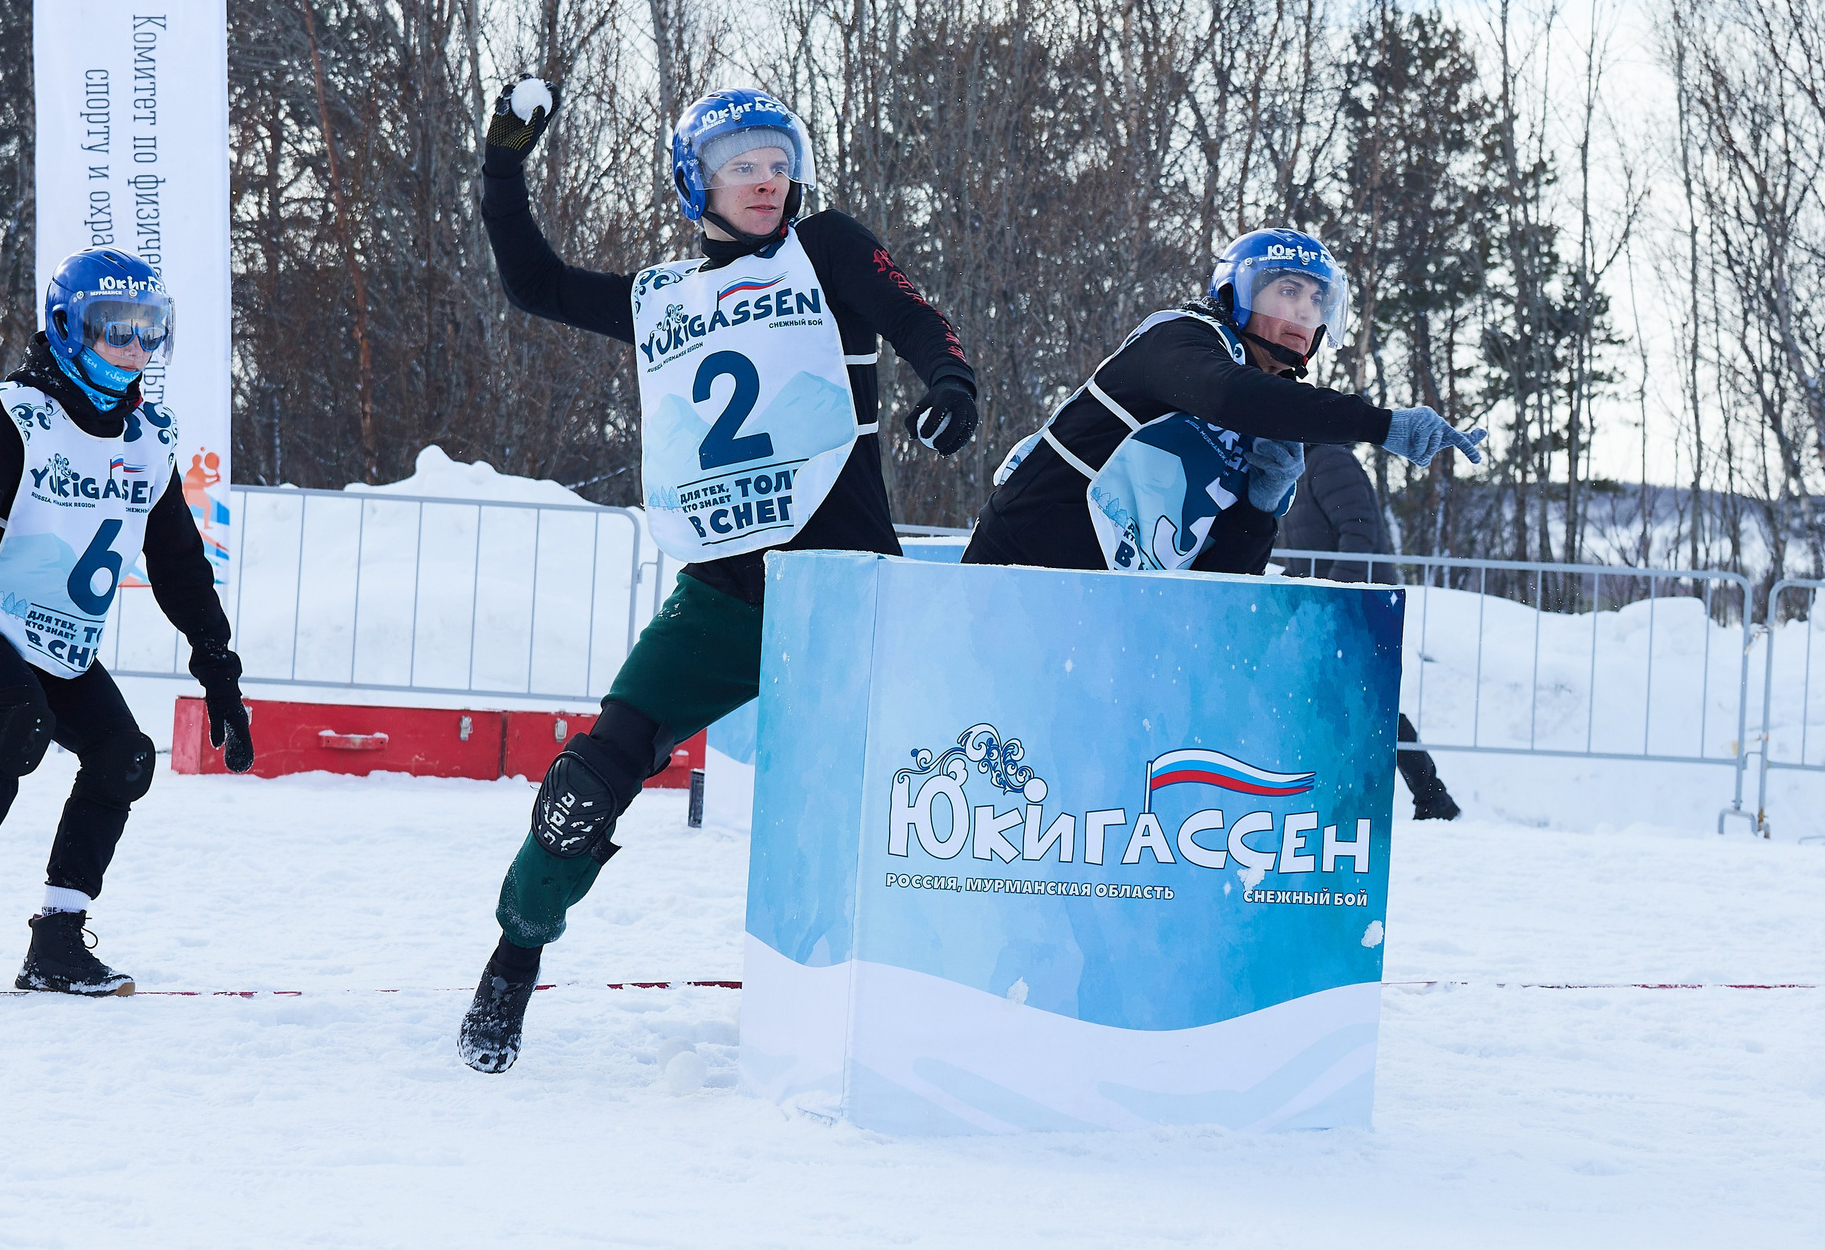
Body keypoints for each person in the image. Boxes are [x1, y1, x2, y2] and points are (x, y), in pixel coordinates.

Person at [461, 78, 978, 1071]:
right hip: (725, 598)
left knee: (911, 801)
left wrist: (949, 382)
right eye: (742, 163)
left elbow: (918, 318)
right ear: (694, 181)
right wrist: (503, 164)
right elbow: (536, 284)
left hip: (844, 594)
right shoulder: (667, 297)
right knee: (587, 779)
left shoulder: (824, 248)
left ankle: (923, 1000)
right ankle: (514, 957)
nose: (766, 178)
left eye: (778, 160)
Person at [0, 249, 253, 995]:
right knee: (19, 722)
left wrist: (220, 674)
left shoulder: (148, 441)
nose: (134, 347)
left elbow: (179, 566)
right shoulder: (18, 415)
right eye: (116, 328)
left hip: (52, 634)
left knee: (126, 758)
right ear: (70, 328)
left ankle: (57, 943)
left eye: (149, 330)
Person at [964, 228, 1482, 575]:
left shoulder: (1270, 411)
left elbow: (1225, 579)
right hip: (1016, 568)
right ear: (1239, 291)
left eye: (1318, 299)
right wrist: (1381, 424)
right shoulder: (1179, 339)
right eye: (1289, 291)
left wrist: (1260, 508)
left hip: (1110, 607)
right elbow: (1227, 393)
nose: (1305, 312)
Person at [1281, 440, 1462, 821]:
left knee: (1373, 707)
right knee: (1344, 704)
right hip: (1325, 608)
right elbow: (1302, 543)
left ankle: (1431, 799)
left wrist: (1338, 598)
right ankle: (1424, 799)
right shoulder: (1298, 464)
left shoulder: (1329, 460)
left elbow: (1358, 533)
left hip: (1356, 606)